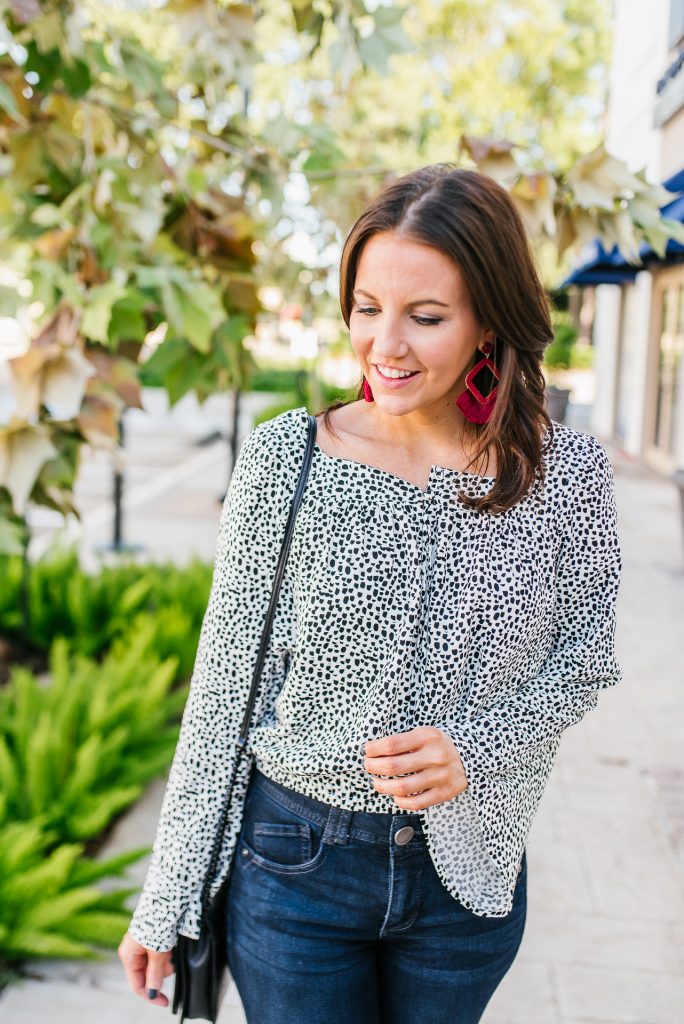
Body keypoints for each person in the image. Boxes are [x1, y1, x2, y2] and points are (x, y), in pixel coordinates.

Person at [119, 164, 622, 1023]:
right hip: (293, 868)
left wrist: (476, 743)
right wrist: (166, 898)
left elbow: (588, 656)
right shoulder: (289, 459)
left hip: (468, 875)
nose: (385, 345)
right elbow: (224, 692)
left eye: (425, 318)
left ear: (486, 321)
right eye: (366, 308)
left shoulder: (565, 474)